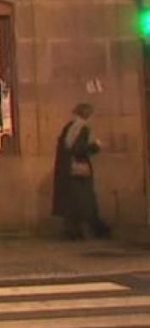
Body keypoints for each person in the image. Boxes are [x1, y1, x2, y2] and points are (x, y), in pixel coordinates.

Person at [52, 102, 110, 240]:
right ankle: (97, 229)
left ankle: (74, 231)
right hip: (79, 170)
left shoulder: (69, 126)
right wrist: (96, 146)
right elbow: (79, 149)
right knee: (86, 201)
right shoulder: (83, 128)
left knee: (73, 202)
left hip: (67, 169)